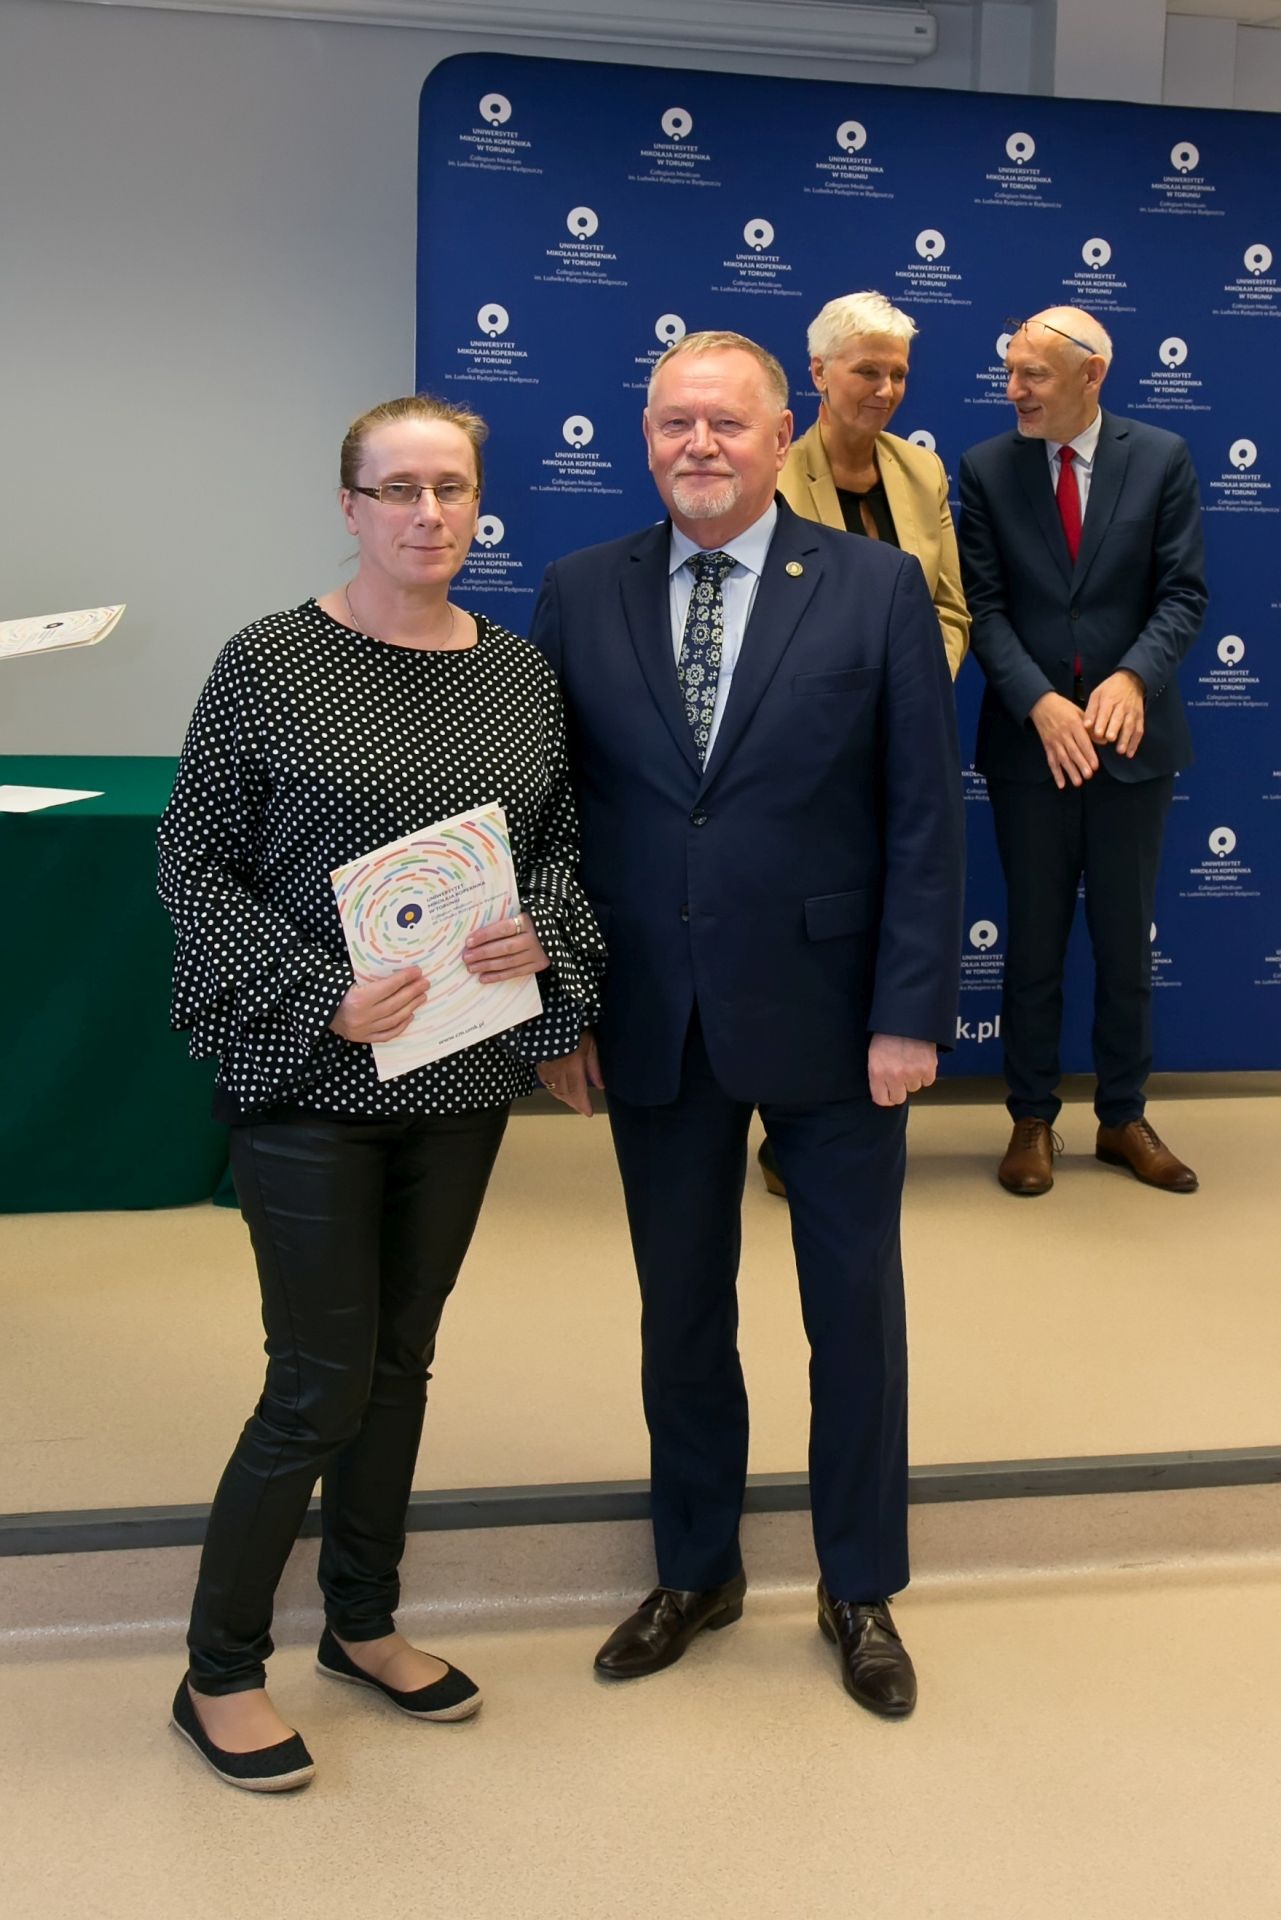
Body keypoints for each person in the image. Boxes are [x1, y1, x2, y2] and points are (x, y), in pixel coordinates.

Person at [157, 394, 602, 1791]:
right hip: (307, 1078)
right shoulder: (267, 661)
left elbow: (558, 848)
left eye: (449, 487)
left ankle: (360, 1623)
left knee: (402, 1364)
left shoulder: (519, 675)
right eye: (397, 488)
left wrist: (539, 929)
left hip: (457, 1076)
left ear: (478, 504)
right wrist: (315, 995)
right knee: (317, 1383)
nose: (427, 513)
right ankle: (218, 1672)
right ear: (349, 507)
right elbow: (190, 863)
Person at [531, 331, 964, 1716]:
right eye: (675, 422)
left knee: (853, 1315)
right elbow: (548, 821)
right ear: (645, 437)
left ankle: (860, 1587)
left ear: (783, 434)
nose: (699, 444)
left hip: (838, 1020)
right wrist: (563, 1010)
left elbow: (921, 814)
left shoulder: (876, 586)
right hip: (654, 1015)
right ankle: (695, 1569)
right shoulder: (578, 590)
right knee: (679, 1310)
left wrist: (909, 1011)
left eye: (727, 421)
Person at [958, 309, 1207, 1198]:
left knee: (1124, 946)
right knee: (1030, 943)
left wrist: (1133, 678)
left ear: (1091, 375)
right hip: (1032, 749)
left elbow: (1182, 593)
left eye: (1032, 374)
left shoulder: (1161, 457)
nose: (1013, 390)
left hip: (1132, 745)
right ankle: (1031, 1118)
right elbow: (982, 606)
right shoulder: (985, 468)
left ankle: (1121, 1116)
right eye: (1010, 371)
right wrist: (1037, 702)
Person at [761, 288, 970, 1197]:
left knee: (890, 918)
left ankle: (854, 1112)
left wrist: (913, 693)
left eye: (898, 373)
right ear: (817, 373)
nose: (884, 389)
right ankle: (782, 1121)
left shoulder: (920, 473)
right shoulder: (772, 474)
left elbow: (949, 609)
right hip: (802, 749)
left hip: (902, 740)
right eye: (865, 371)